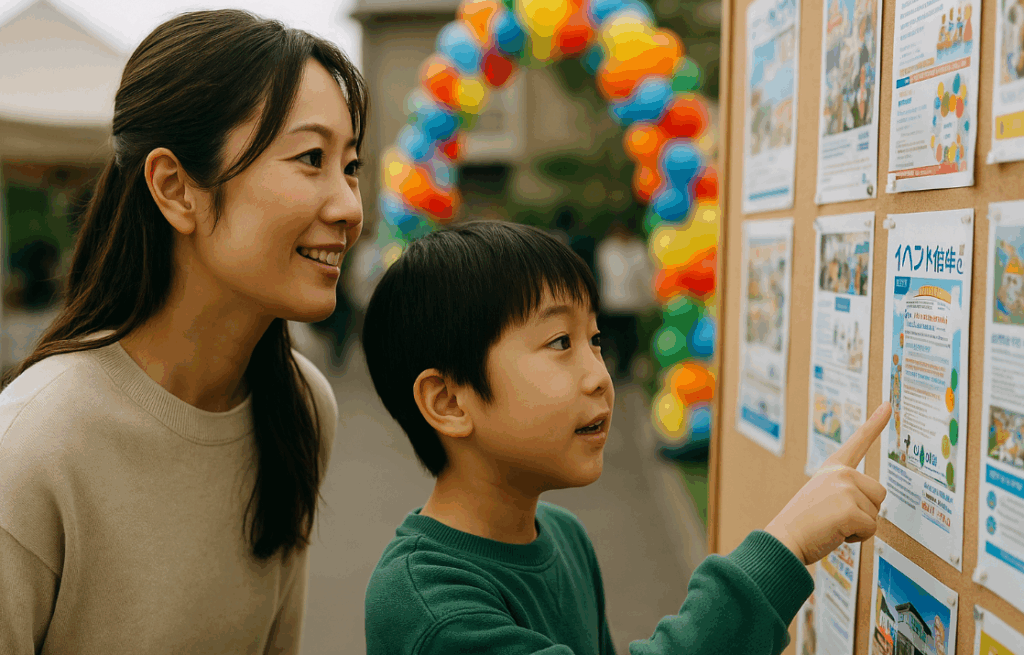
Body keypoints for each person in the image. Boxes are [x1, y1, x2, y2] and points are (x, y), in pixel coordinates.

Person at [0, 8, 367, 653]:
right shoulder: (31, 448)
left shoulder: (303, 406)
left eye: (352, 165)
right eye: (311, 158)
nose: (348, 206)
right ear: (175, 188)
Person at [361, 220, 891, 655]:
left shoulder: (563, 536)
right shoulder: (424, 602)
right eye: (560, 341)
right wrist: (784, 547)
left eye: (594, 340)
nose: (598, 375)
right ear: (449, 402)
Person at [595, 219, 655, 379]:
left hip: (631, 304)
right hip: (612, 303)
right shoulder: (608, 248)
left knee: (627, 340)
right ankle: (616, 367)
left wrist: (650, 299)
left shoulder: (635, 249)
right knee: (613, 339)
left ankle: (623, 369)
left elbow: (644, 276)